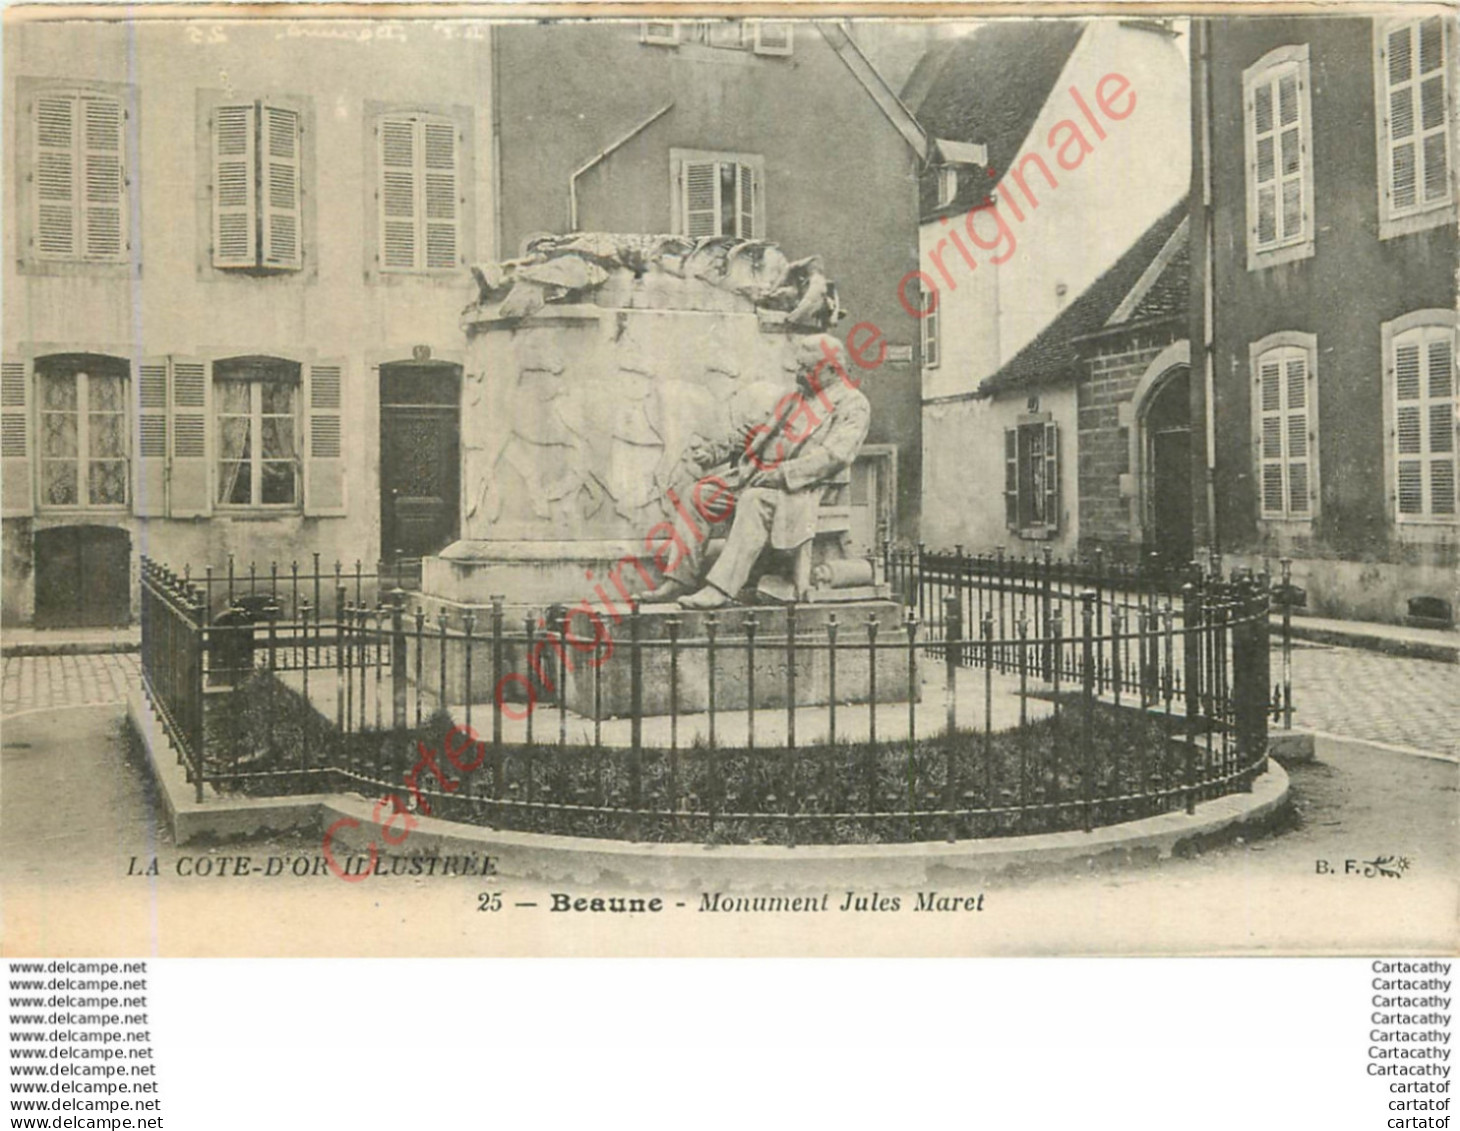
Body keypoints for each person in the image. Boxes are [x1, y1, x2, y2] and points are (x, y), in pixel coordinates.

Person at [679, 334, 870, 610]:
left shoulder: (853, 403)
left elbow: (834, 456)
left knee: (753, 500)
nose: (798, 374)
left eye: (806, 368)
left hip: (805, 489)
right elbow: (752, 432)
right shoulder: (793, 397)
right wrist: (713, 453)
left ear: (832, 369)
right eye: (798, 366)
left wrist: (781, 474)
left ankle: (719, 589)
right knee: (698, 495)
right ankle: (680, 578)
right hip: (757, 475)